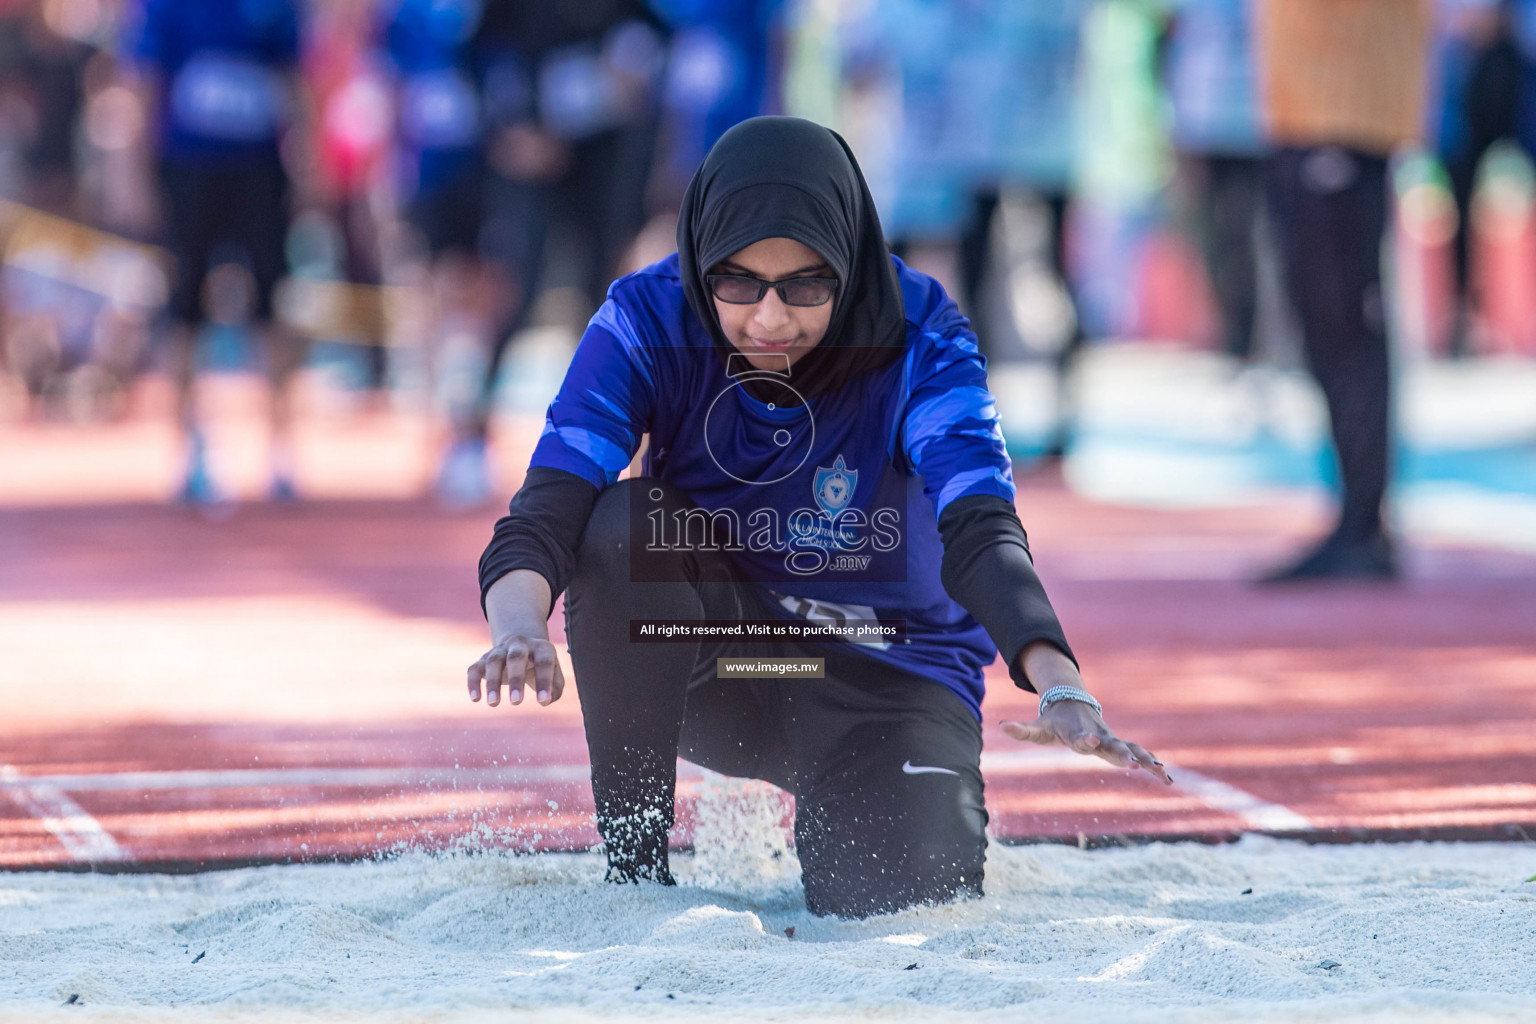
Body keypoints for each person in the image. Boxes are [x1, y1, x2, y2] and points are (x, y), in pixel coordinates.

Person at [469, 117, 1170, 919]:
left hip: (887, 679)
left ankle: (867, 804)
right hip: (729, 667)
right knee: (623, 527)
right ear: (701, 262)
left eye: (806, 285)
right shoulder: (645, 320)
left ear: (851, 260)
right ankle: (634, 874)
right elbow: (549, 505)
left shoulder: (923, 337)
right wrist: (519, 627)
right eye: (738, 283)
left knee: (908, 906)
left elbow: (980, 524)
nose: (770, 319)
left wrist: (1059, 684)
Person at [1254, 0, 1434, 581]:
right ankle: (1358, 518)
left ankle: (1363, 521)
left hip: (1343, 115)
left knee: (1345, 321)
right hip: (1314, 112)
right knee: (1328, 323)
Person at [127, 0, 309, 505]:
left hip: (259, 173)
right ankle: (190, 451)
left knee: (272, 305)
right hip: (188, 170)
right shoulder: (166, 8)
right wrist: (136, 173)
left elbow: (295, 81)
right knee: (184, 306)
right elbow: (145, 81)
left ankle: (281, 451)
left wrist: (308, 162)